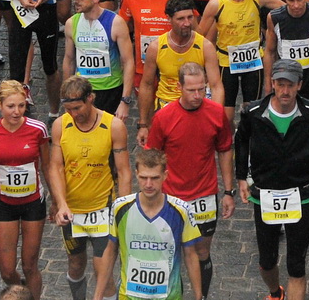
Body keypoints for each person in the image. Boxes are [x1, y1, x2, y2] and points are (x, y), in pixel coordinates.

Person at [234, 61, 309, 300]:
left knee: (296, 265)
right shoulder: (253, 113)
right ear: (272, 84)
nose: (285, 91)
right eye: (280, 85)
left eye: (290, 85)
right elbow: (241, 142)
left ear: (299, 85)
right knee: (266, 262)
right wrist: (241, 179)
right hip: (264, 194)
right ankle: (275, 292)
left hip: (300, 193)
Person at [142, 62, 235, 295]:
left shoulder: (216, 113)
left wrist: (228, 191)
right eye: (191, 90)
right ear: (179, 87)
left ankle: (201, 296)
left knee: (202, 252)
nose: (197, 95)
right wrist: (150, 194)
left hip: (204, 195)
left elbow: (224, 150)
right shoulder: (164, 117)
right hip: (172, 198)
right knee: (170, 253)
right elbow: (152, 158)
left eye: (202, 89)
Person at [47, 75, 132, 300]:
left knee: (103, 272)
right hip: (72, 211)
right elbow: (55, 167)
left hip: (103, 210)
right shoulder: (60, 125)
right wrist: (60, 203)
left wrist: (122, 210)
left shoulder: (113, 126)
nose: (74, 114)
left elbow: (123, 171)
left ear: (91, 98)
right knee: (75, 264)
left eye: (77, 107)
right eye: (68, 109)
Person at [0, 79, 52, 299]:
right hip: (4, 205)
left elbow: (47, 166)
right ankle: (21, 292)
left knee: (30, 265)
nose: (17, 111)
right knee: (7, 270)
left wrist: (57, 200)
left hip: (32, 203)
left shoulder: (38, 129)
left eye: (21, 106)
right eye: (11, 106)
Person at [110, 149, 205, 300]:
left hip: (169, 296)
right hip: (128, 296)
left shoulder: (181, 210)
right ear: (136, 174)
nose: (148, 184)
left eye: (154, 178)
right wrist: (98, 294)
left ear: (165, 176)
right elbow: (110, 252)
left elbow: (190, 254)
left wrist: (198, 295)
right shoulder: (120, 208)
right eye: (143, 177)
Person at [197, 0, 281, 118]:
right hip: (226, 62)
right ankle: (229, 139)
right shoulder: (216, 3)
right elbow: (200, 34)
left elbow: (284, 7)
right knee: (226, 112)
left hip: (253, 62)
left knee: (252, 109)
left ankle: (247, 139)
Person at [139, 0, 223, 136]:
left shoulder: (205, 46)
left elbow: (216, 86)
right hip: (167, 105)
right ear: (169, 19)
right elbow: (146, 85)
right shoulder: (156, 47)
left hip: (197, 106)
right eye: (181, 19)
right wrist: (143, 124)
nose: (187, 23)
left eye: (190, 17)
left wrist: (216, 119)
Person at [63, 0, 136, 116]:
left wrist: (125, 101)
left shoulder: (116, 23)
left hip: (110, 90)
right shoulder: (71, 23)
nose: (75, 1)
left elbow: (128, 61)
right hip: (82, 90)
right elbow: (69, 59)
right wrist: (66, 95)